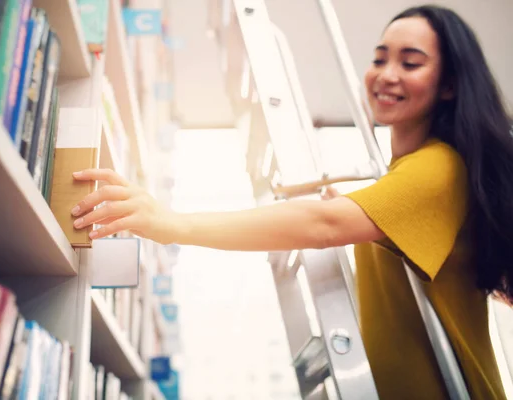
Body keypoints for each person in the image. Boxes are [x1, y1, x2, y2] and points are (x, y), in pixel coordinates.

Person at [71, 5, 511, 399]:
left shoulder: (438, 168)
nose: (386, 74)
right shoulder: (408, 178)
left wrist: (168, 223)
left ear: (449, 85)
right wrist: (354, 209)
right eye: (379, 58)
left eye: (410, 62)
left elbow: (323, 226)